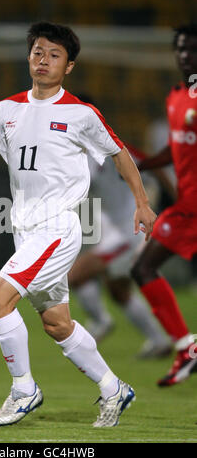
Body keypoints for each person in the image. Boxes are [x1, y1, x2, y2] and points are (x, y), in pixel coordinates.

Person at [0, 21, 156, 427]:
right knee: (57, 324)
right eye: (38, 52)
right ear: (29, 57)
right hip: (24, 231)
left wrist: (142, 204)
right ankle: (114, 387)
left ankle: (24, 390)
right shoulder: (8, 109)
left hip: (57, 228)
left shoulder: (81, 113)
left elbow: (120, 153)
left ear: (68, 66)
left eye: (54, 55)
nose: (44, 60)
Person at [131, 23, 197, 386]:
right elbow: (178, 150)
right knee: (143, 268)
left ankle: (187, 347)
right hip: (189, 207)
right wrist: (141, 164)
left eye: (193, 50)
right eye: (181, 49)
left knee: (143, 268)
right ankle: (186, 347)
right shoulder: (176, 98)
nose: (186, 56)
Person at [68, 139, 172, 359]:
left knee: (74, 276)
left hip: (127, 232)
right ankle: (159, 341)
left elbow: (80, 186)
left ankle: (100, 322)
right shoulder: (123, 148)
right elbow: (156, 166)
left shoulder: (91, 154)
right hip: (120, 229)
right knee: (119, 290)